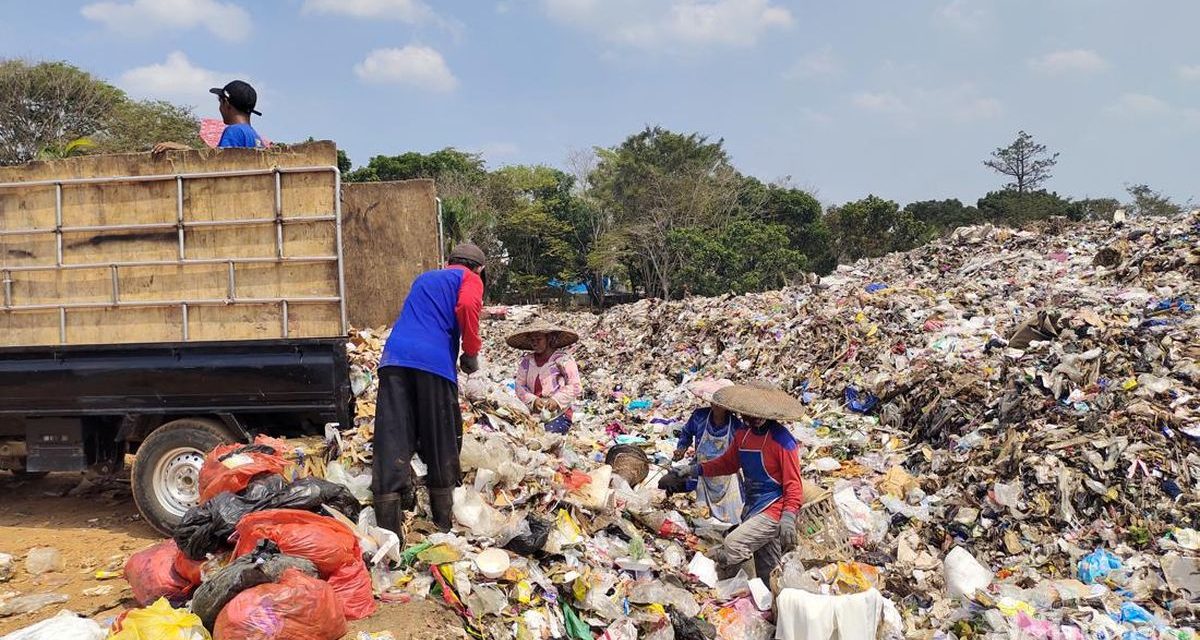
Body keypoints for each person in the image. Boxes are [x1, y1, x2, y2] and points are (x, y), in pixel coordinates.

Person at [372, 243, 486, 535]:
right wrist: (470, 352)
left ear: (448, 261)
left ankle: (389, 534)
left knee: (393, 436)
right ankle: (443, 524)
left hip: (394, 358)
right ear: (479, 268)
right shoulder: (469, 278)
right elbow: (467, 306)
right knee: (440, 437)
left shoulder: (423, 279)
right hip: (432, 362)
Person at [660, 382, 805, 579]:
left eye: (753, 416)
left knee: (733, 544)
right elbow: (726, 464)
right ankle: (769, 600)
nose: (748, 419)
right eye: (745, 415)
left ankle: (719, 574)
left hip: (774, 508)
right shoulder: (742, 435)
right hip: (753, 505)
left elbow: (793, 484)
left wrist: (788, 516)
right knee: (768, 567)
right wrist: (694, 469)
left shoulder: (783, 441)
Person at [673, 378, 744, 525]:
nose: (715, 405)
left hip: (726, 478)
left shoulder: (736, 426)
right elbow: (686, 433)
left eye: (720, 403)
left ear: (727, 406)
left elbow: (741, 450)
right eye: (714, 401)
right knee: (700, 515)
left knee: (731, 520)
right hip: (701, 473)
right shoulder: (700, 416)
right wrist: (681, 448)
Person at [508, 323, 582, 434]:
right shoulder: (527, 362)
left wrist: (556, 400)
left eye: (539, 339)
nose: (535, 343)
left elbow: (575, 386)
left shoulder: (563, 360)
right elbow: (519, 386)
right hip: (533, 412)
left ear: (549, 340)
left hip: (559, 413)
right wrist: (533, 400)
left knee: (547, 435)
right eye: (532, 340)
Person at [153, 80, 264, 154]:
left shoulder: (234, 131)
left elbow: (216, 165)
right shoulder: (255, 137)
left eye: (220, 103)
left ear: (226, 104)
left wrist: (184, 149)